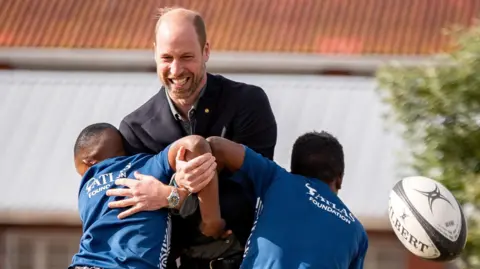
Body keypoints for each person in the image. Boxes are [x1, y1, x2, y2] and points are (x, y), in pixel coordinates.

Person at [116, 6, 277, 269]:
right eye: (166, 57)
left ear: (206, 51)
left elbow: (251, 195)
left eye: (187, 56)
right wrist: (179, 192)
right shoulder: (135, 129)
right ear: (154, 51)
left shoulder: (249, 103)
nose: (176, 70)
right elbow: (141, 217)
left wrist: (171, 195)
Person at [69, 123, 228, 269]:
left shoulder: (86, 188)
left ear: (89, 162)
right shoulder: (147, 167)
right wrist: (211, 220)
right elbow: (195, 144)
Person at [204, 131, 369, 269]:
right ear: (339, 179)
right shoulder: (357, 231)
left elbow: (216, 145)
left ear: (293, 169)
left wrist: (212, 219)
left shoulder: (277, 179)